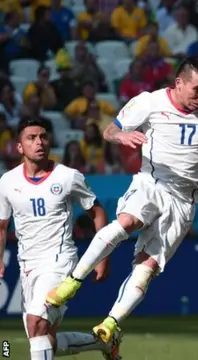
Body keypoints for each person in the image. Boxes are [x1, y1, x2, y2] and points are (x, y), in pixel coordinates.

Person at [46, 56, 198, 344]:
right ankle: (72, 282)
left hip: (184, 200)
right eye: (197, 90)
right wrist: (122, 136)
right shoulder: (149, 102)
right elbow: (109, 130)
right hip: (151, 183)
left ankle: (110, 325)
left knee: (147, 265)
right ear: (179, 83)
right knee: (127, 222)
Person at [0, 118, 119, 359]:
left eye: (43, 136)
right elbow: (2, 226)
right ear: (20, 147)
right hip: (28, 266)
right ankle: (105, 343)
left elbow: (97, 212)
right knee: (44, 340)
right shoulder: (7, 182)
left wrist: (103, 257)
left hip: (59, 260)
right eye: (31, 138)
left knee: (36, 322)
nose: (39, 142)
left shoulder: (67, 177)